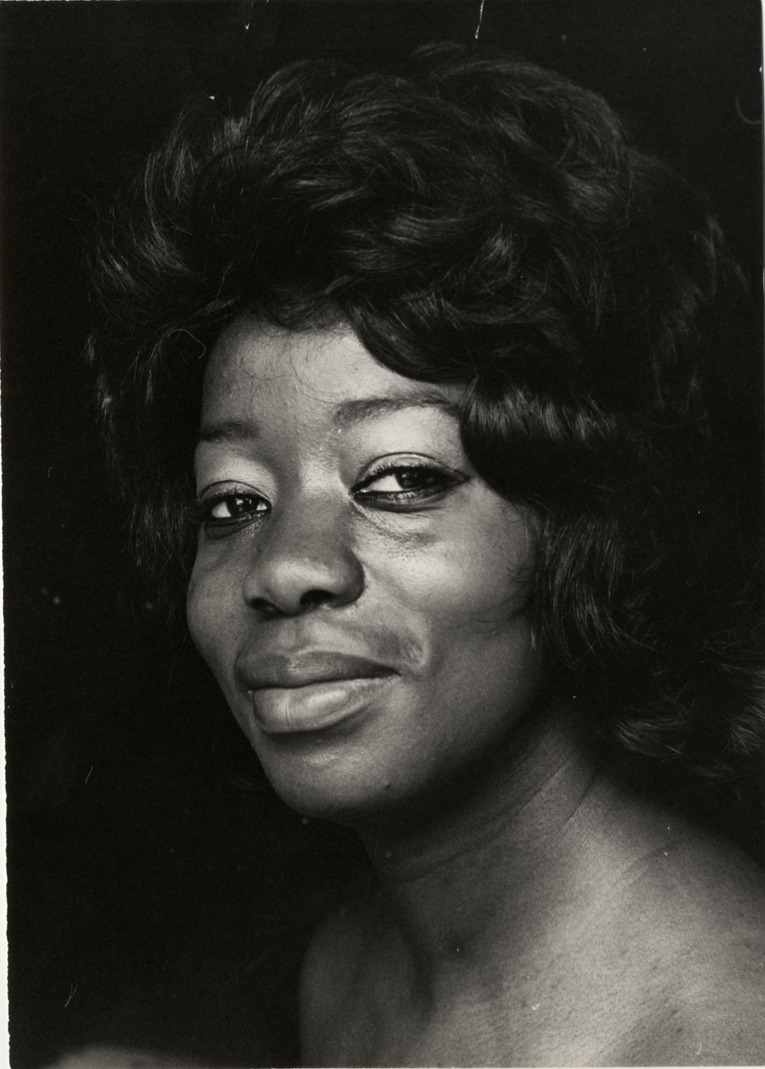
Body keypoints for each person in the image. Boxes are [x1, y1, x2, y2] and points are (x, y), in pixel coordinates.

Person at [87, 43, 765, 1066]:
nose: (282, 567)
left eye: (399, 480)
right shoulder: (348, 973)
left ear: (590, 527)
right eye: (234, 501)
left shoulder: (716, 1040)